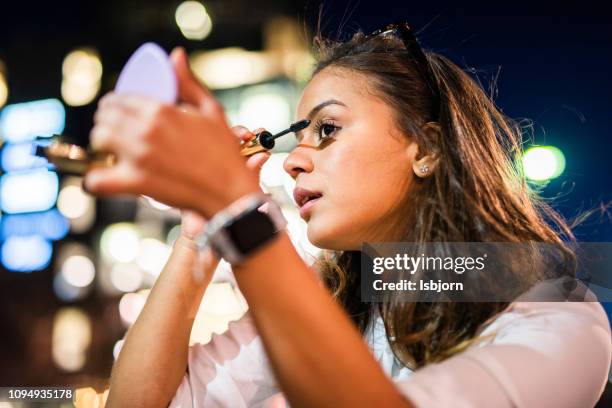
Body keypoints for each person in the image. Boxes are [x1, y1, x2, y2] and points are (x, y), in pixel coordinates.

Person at [84, 22, 611, 407]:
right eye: (299, 134)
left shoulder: (555, 312)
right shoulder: (335, 302)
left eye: (328, 129)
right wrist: (199, 235)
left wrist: (236, 214)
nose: (292, 160)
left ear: (426, 149)